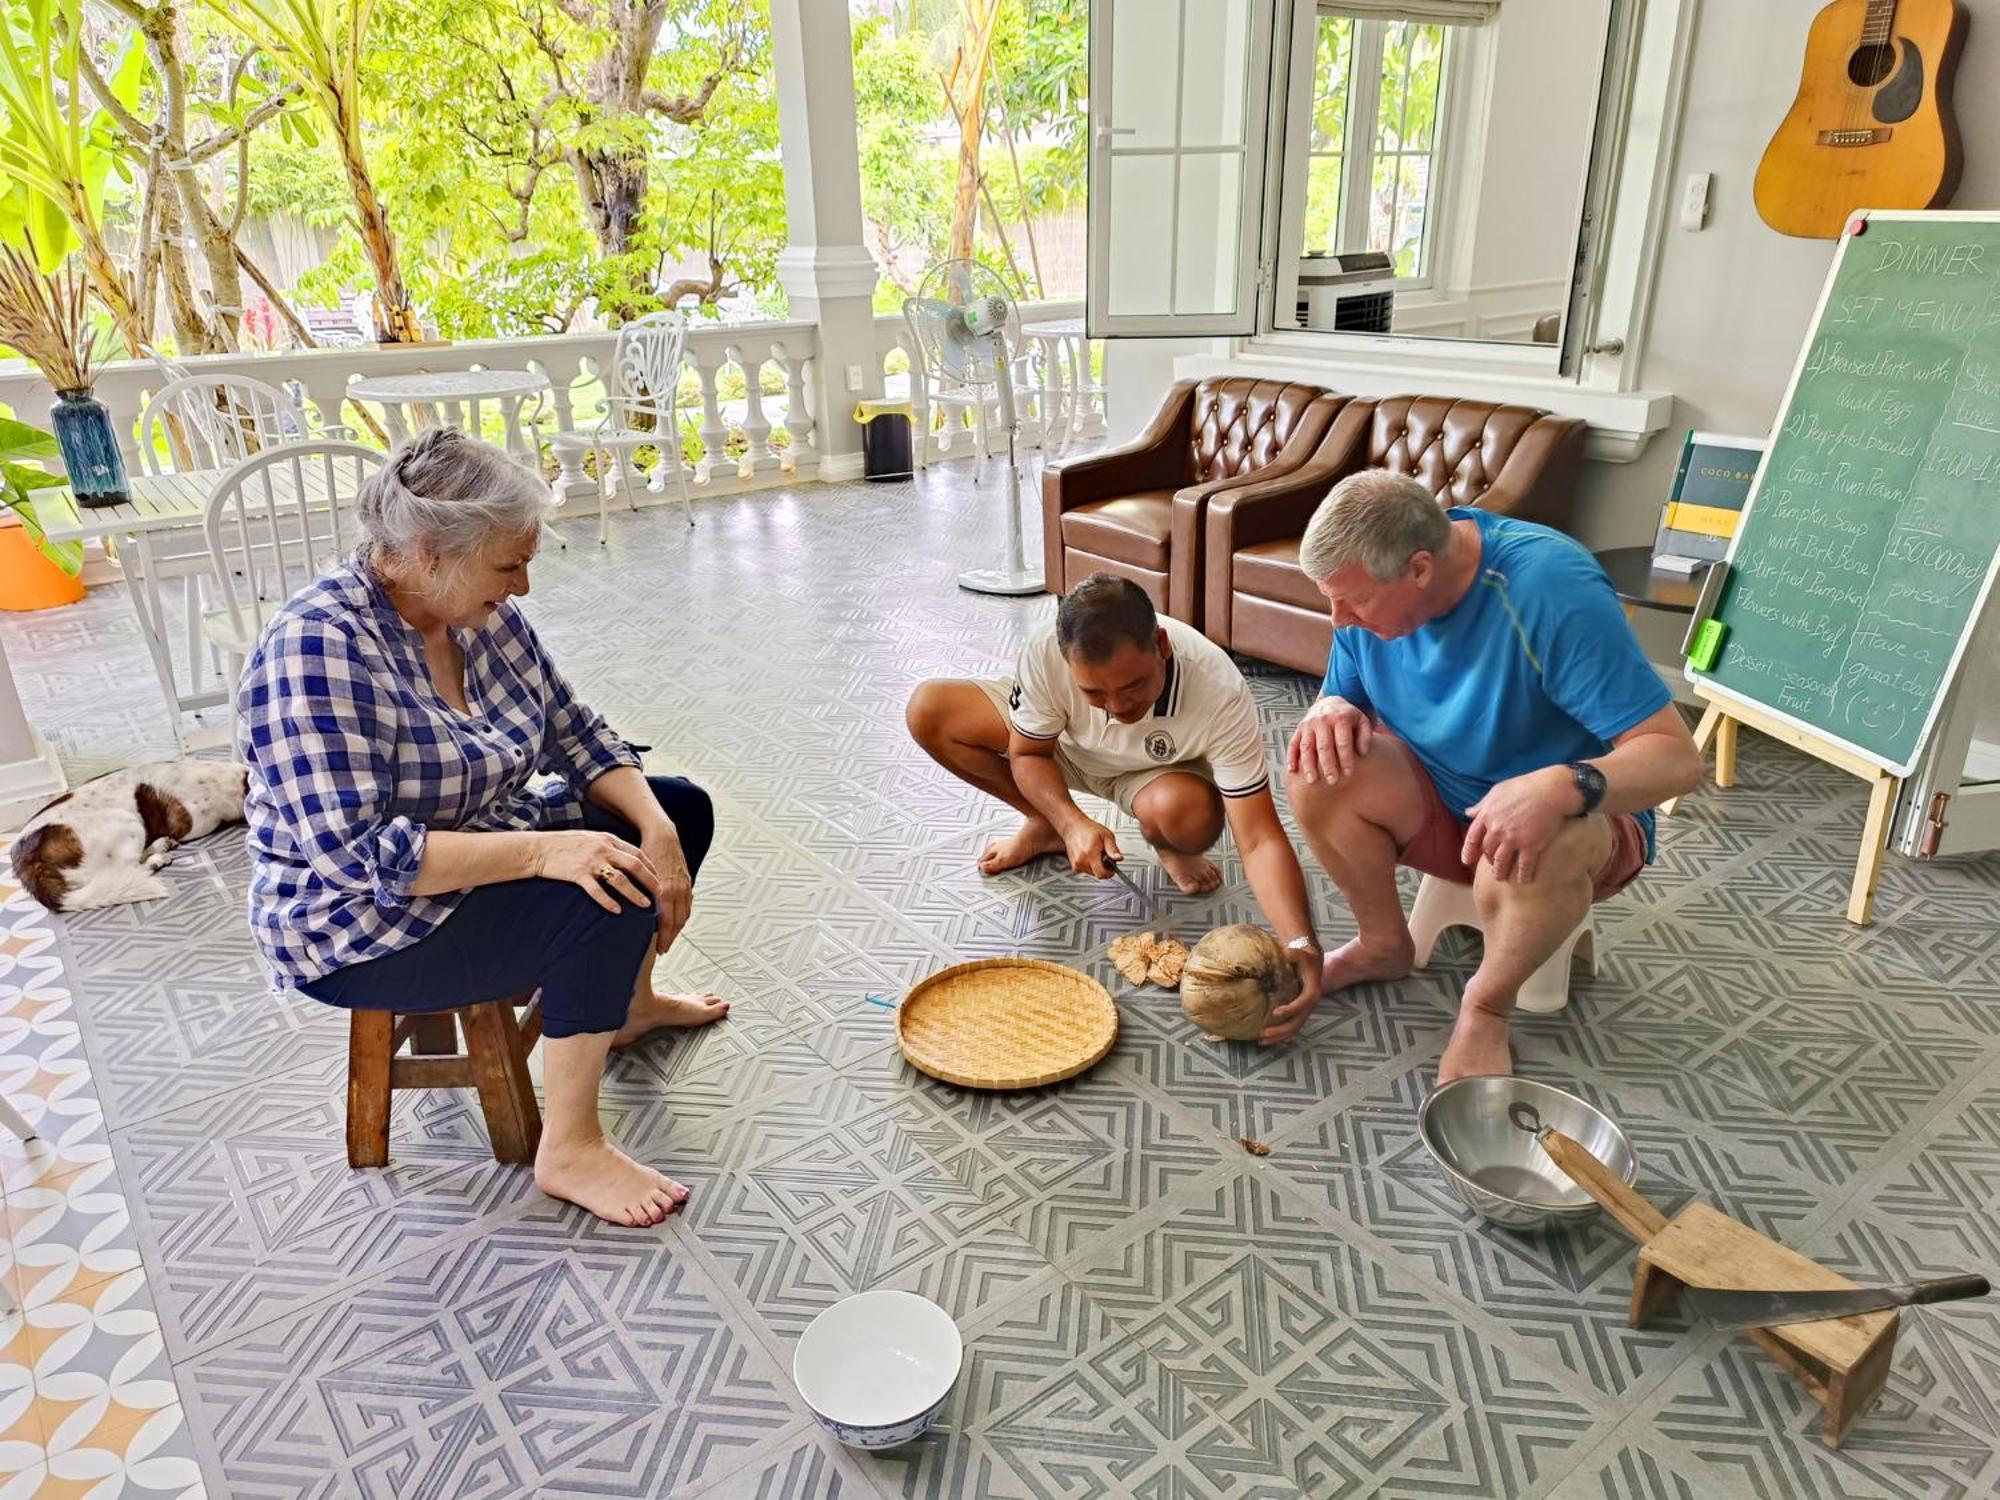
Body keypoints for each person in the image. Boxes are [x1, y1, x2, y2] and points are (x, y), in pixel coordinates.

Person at [238, 428, 726, 1228]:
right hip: (364, 924)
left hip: (476, 843)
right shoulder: (317, 648)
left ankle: (628, 1006)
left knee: (676, 807)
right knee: (602, 899)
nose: (525, 587)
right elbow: (358, 858)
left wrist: (657, 829)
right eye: (510, 565)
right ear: (431, 552)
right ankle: (569, 1148)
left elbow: (575, 731)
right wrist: (545, 850)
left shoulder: (478, 613)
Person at [1282, 471, 1703, 1082]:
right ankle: (1383, 944)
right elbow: (1344, 686)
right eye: (1329, 599)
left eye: (1352, 601)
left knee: (1548, 831)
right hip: (1447, 798)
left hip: (1572, 828)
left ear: (1419, 569)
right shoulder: (1370, 593)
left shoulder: (1549, 589)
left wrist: (1561, 786)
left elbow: (1676, 759)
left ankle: (1486, 1007)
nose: (1338, 619)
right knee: (1318, 765)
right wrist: (1330, 705)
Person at [906, 573, 1323, 1042]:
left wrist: (1300, 941)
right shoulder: (1048, 651)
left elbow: (1260, 837)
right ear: (1068, 663)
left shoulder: (1218, 689)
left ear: (1161, 645)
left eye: (1133, 685)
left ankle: (1166, 841)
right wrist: (1072, 822)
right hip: (1057, 746)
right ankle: (1046, 824)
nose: (1116, 707)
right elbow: (1027, 753)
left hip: (1154, 775)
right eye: (1093, 693)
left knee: (1187, 816)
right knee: (931, 709)